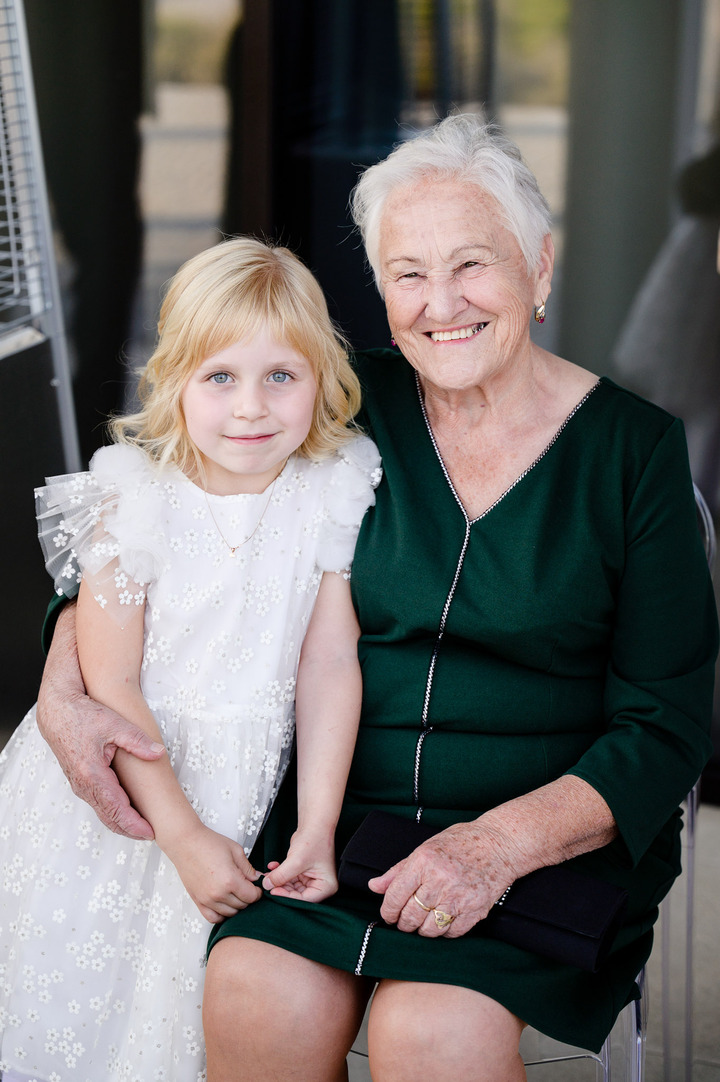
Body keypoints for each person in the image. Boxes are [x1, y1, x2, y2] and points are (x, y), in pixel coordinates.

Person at [35, 116, 716, 1082]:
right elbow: (155, 516)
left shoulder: (631, 453)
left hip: (537, 840)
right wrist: (67, 676)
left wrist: (494, 847)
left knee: (430, 1036)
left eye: (473, 264)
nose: (442, 304)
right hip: (333, 824)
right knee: (257, 995)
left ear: (540, 268)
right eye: (408, 274)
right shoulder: (342, 407)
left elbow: (668, 722)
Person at [0, 237, 381, 1082]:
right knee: (76, 1004)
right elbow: (112, 684)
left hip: (244, 790)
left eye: (281, 375)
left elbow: (327, 668)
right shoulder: (134, 496)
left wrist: (317, 829)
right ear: (174, 380)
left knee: (175, 1024)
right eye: (220, 377)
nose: (251, 407)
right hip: (126, 800)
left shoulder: (330, 489)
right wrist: (180, 833)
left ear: (322, 377)